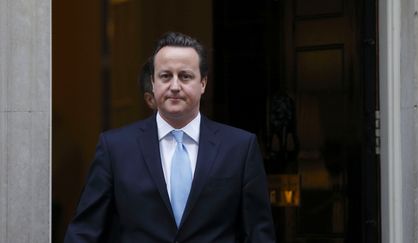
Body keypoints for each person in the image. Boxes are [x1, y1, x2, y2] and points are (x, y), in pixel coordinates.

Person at [64, 31, 275, 243]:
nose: (174, 86)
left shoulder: (240, 148)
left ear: (203, 83)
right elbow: (84, 233)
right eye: (165, 76)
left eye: (185, 76)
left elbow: (258, 233)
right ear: (153, 83)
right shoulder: (115, 148)